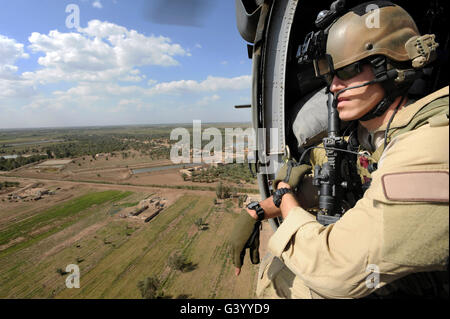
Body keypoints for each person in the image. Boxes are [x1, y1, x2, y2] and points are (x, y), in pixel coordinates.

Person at [230, 1, 448, 298]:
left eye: (346, 71)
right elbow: (345, 176)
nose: (332, 86)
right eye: (330, 74)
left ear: (389, 65)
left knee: (293, 282)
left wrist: (284, 198)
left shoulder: (432, 143)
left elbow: (335, 271)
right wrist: (259, 209)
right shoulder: (373, 137)